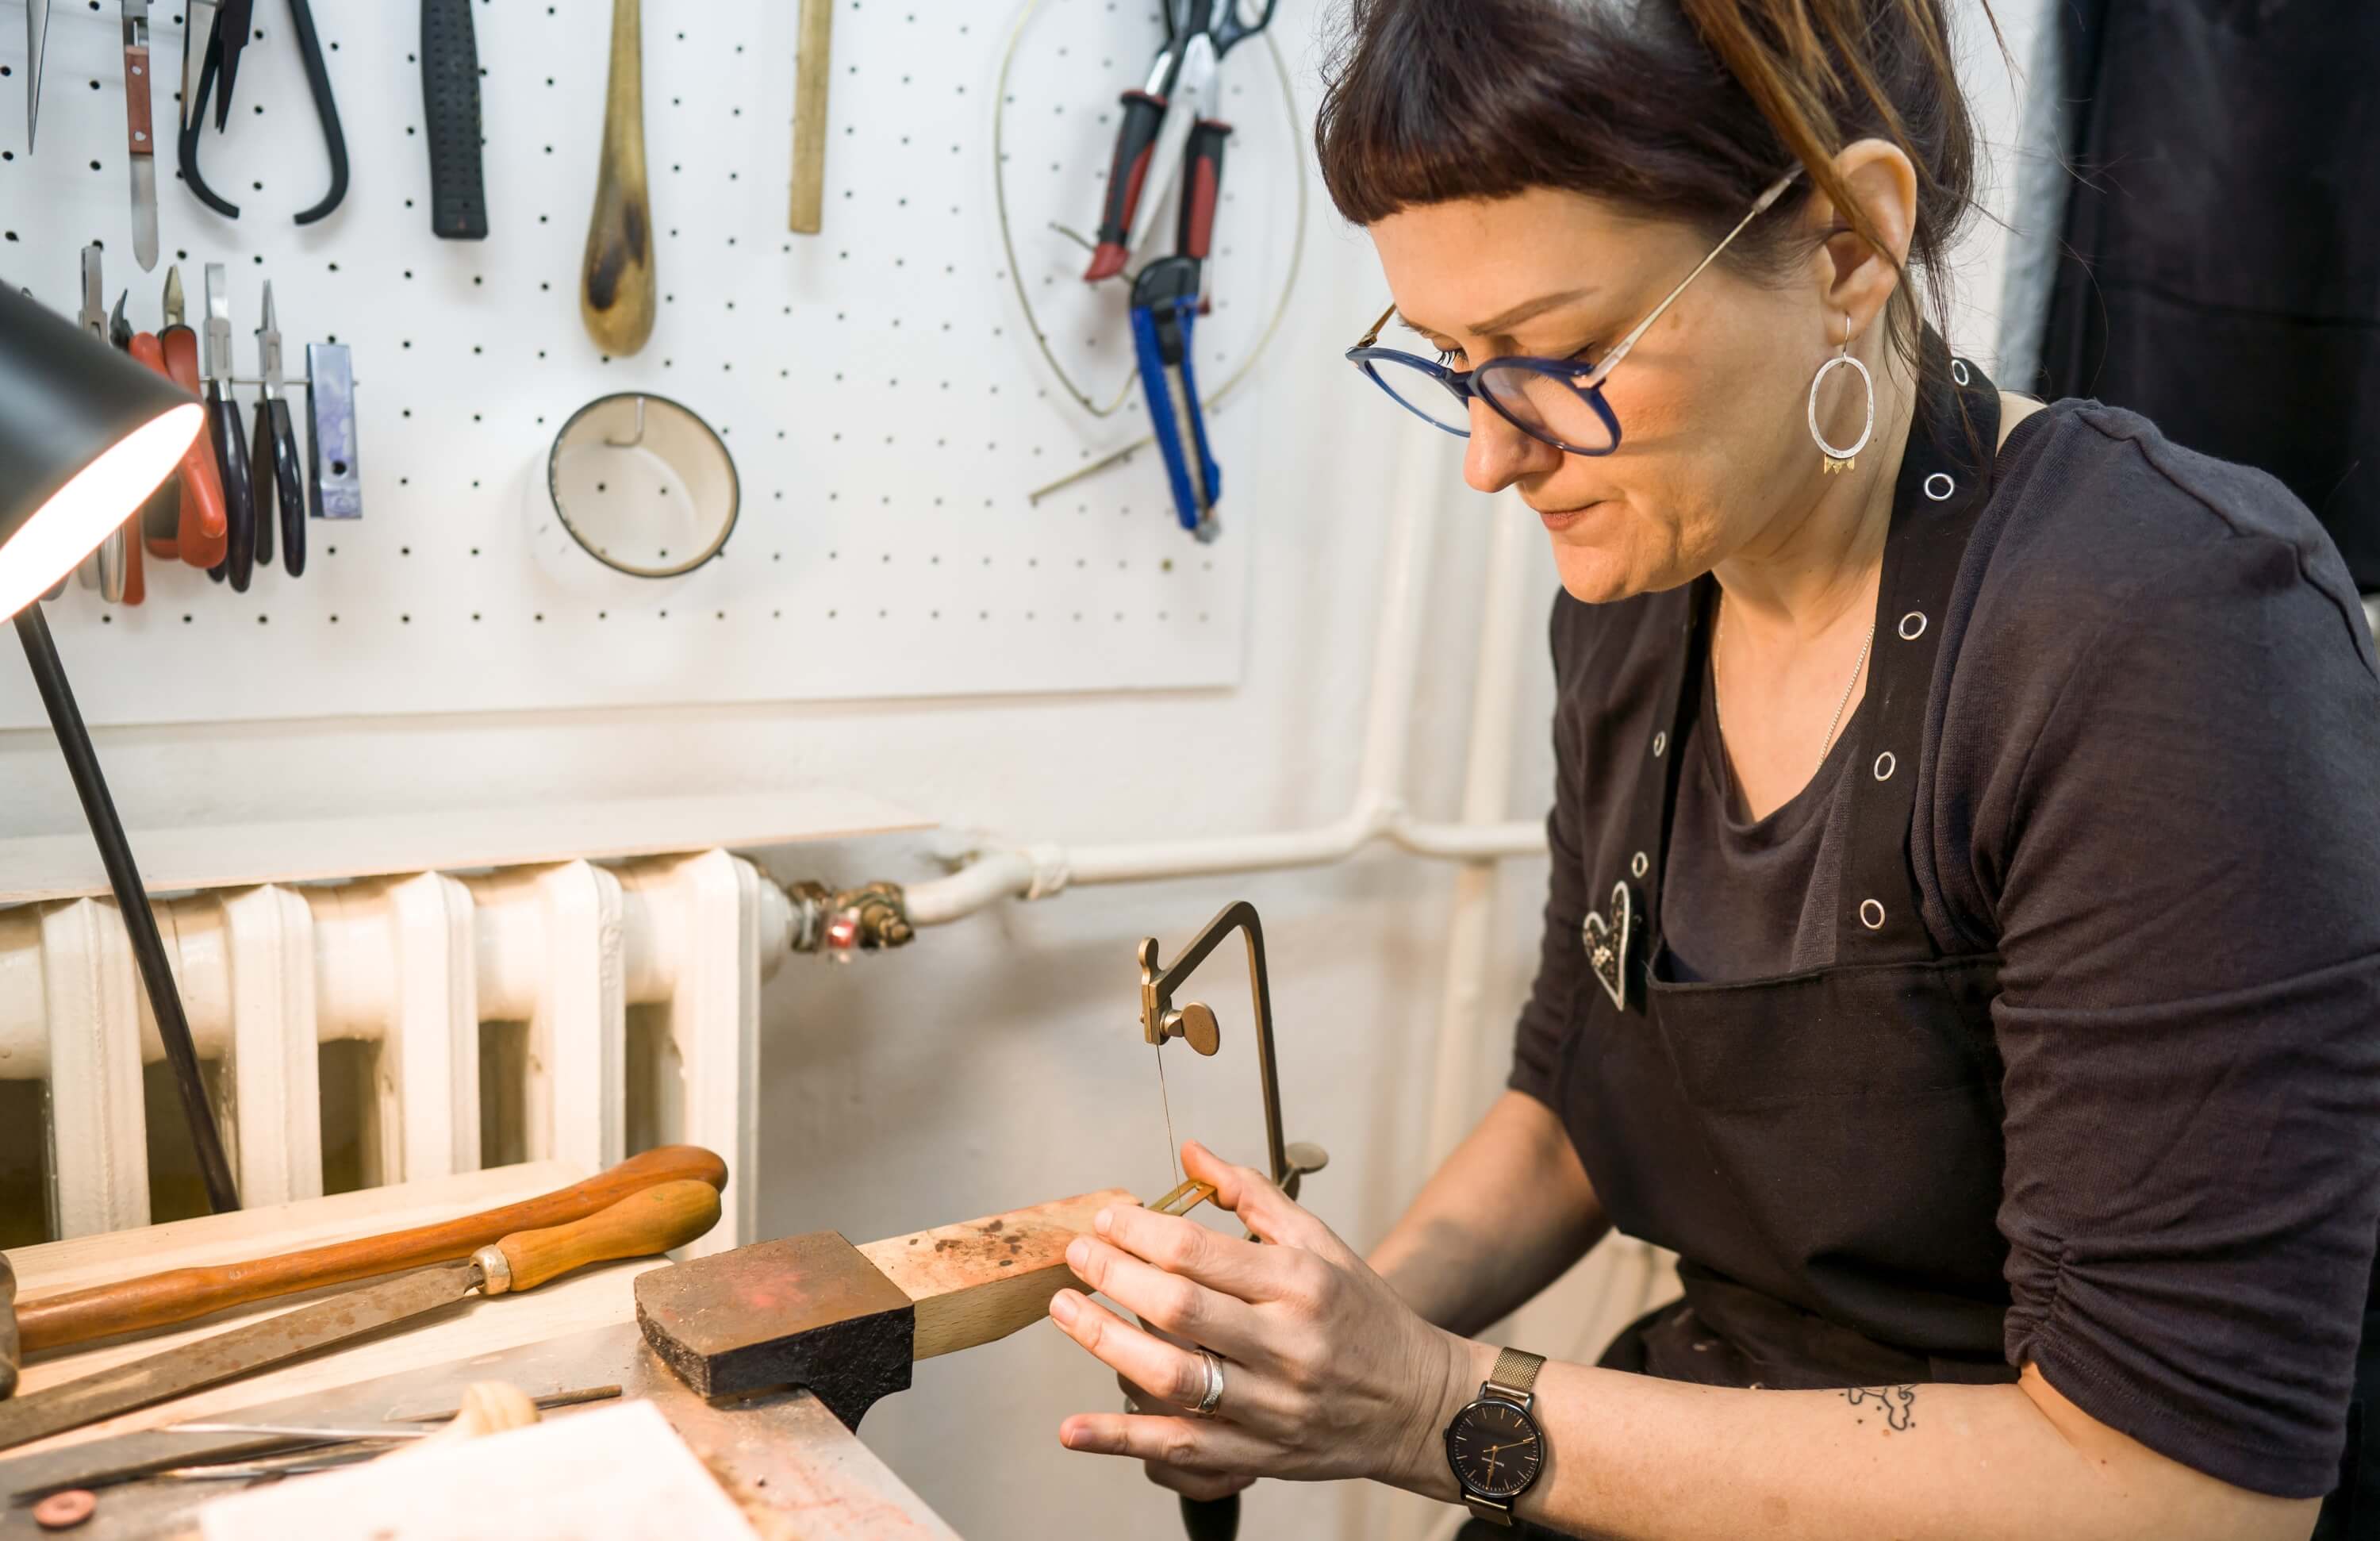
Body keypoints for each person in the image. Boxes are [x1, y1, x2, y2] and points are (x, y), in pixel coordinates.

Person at [1043, 0, 2380, 1535]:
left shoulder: (2166, 635)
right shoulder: (1632, 611)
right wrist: (1303, 1346)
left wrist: (1425, 1403)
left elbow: (2182, 1491)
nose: (1492, 453)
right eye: (1452, 362)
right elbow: (1572, 1103)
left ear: (1846, 245)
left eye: (1558, 354)